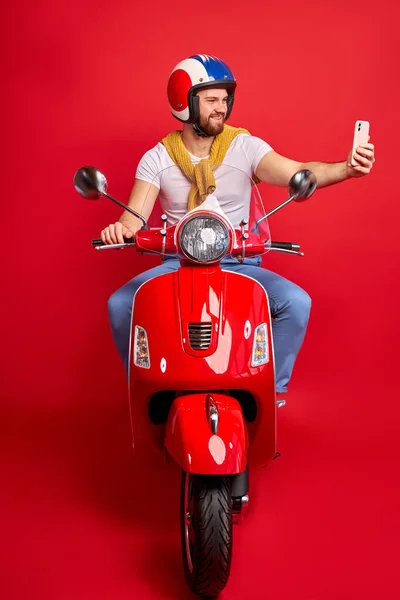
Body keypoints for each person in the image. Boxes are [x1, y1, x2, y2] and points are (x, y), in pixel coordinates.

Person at [102, 54, 375, 396]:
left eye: (225, 99)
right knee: (120, 305)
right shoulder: (158, 158)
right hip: (178, 263)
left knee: (295, 301)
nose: (222, 107)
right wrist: (121, 228)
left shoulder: (245, 147)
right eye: (212, 99)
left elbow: (299, 171)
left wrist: (347, 169)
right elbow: (133, 216)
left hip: (238, 262)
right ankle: (145, 389)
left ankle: (270, 392)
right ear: (184, 103)